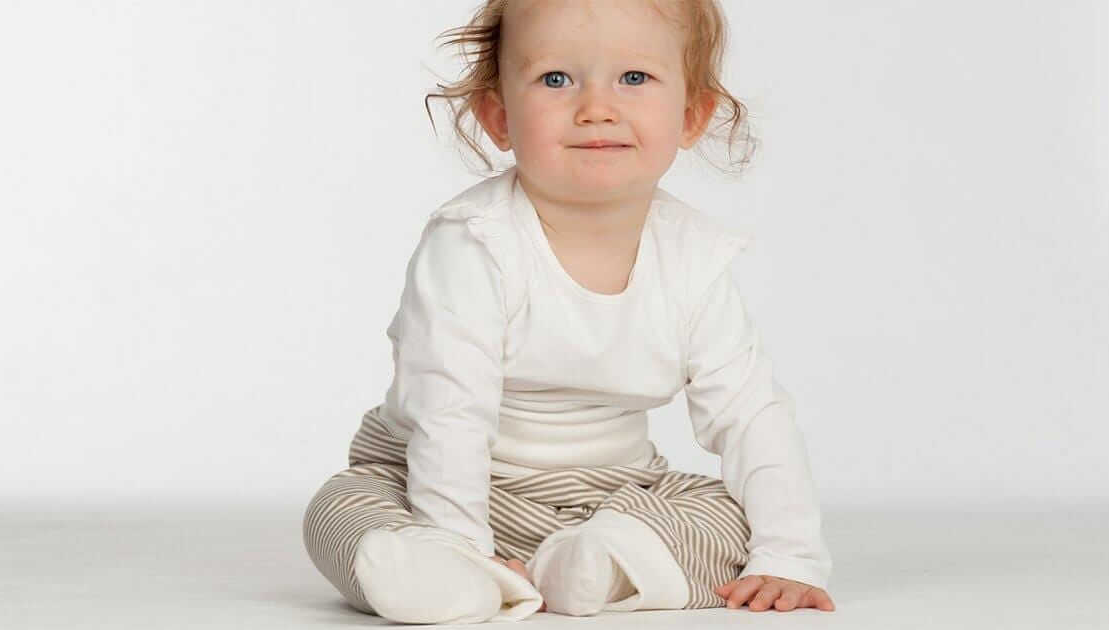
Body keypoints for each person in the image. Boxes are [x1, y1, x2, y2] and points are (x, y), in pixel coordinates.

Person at [303, 0, 835, 623]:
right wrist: (460, 539)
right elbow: (449, 413)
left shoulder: (695, 258)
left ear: (692, 115)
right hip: (434, 483)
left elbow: (750, 416)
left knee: (726, 514)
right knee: (341, 508)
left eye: (634, 78)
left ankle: (597, 563)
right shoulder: (475, 242)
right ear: (499, 116)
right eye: (555, 79)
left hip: (611, 494)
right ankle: (449, 571)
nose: (596, 108)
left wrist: (789, 555)